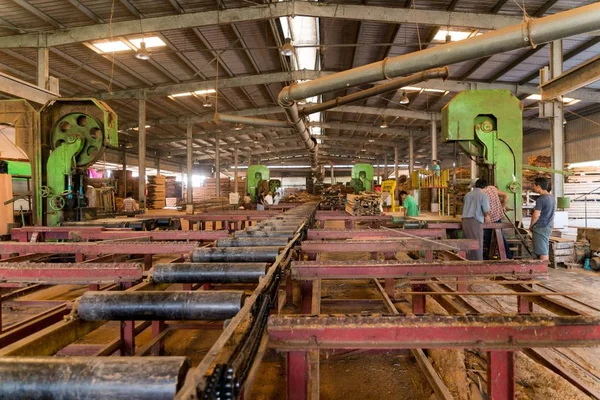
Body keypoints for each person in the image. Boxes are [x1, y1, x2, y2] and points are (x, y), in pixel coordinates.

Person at [480, 179, 513, 259]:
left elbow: (483, 207)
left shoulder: (481, 193)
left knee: (489, 237)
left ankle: (491, 256)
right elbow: (506, 195)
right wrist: (503, 206)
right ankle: (507, 256)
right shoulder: (492, 188)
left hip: (488, 218)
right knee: (499, 237)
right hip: (497, 216)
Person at [461, 179, 491, 260]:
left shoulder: (467, 195)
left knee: (466, 242)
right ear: (485, 187)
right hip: (475, 221)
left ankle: (466, 260)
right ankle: (477, 263)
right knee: (477, 242)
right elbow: (485, 210)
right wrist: (487, 217)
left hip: (465, 221)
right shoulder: (483, 195)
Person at [530, 177, 555, 261]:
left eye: (534, 186)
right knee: (544, 247)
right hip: (548, 225)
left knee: (542, 251)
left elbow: (536, 215)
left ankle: (543, 270)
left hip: (540, 227)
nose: (533, 187)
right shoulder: (552, 198)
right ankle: (542, 269)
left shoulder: (541, 199)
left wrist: (531, 226)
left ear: (538, 186)